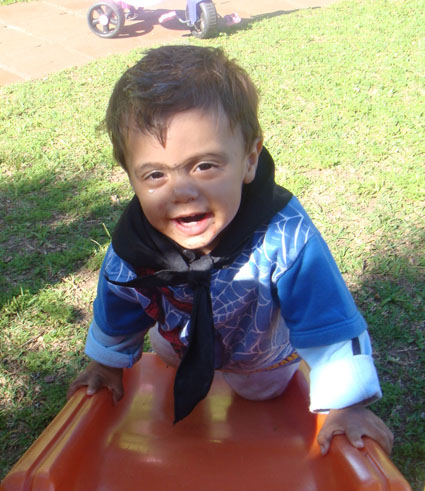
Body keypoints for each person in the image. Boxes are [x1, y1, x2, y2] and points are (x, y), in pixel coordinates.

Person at [67, 45, 393, 456]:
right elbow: (119, 304)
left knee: (262, 392)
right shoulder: (135, 246)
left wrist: (347, 405)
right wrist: (106, 363)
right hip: (178, 338)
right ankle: (183, 353)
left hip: (257, 354)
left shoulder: (285, 235)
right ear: (131, 177)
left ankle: (250, 374)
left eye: (204, 165)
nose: (182, 191)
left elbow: (326, 317)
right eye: (155, 174)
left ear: (249, 160)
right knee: (167, 352)